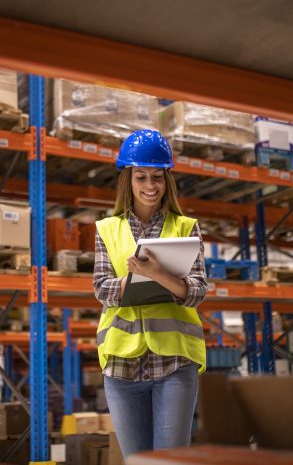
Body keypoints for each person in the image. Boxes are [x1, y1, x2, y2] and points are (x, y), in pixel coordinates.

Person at [93, 129, 208, 458]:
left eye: (157, 177)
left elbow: (197, 290)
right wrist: (135, 280)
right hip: (121, 365)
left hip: (174, 363)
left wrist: (156, 275)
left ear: (166, 180)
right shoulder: (107, 229)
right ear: (128, 179)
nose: (150, 186)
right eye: (141, 177)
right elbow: (102, 287)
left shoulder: (185, 227)